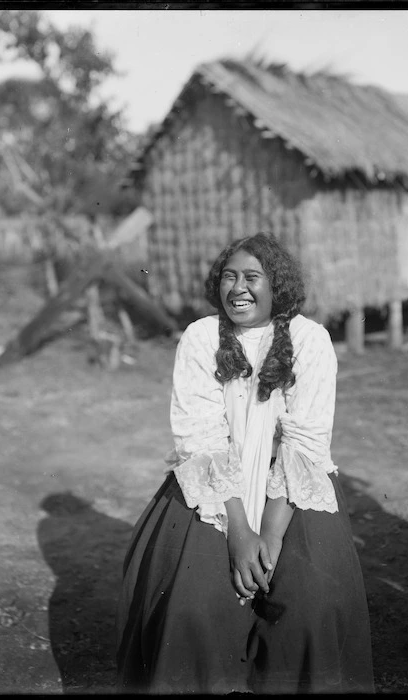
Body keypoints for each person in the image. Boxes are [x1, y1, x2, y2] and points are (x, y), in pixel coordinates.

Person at [115, 232, 374, 694]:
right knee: (190, 605)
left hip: (291, 492)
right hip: (217, 491)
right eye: (229, 277)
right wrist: (238, 531)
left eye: (252, 277)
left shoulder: (309, 340)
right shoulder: (200, 337)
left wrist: (271, 536)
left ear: (278, 286)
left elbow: (306, 441)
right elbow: (201, 438)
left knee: (312, 607)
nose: (239, 288)